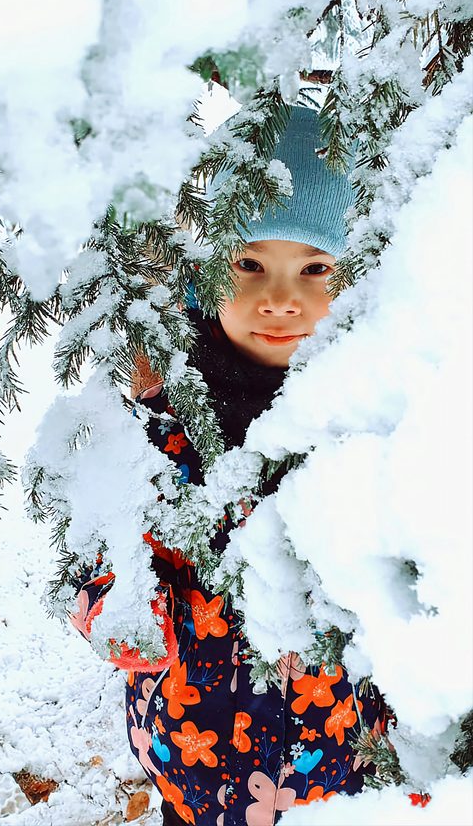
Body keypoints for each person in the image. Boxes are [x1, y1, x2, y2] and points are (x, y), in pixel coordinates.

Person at [72, 107, 389, 825]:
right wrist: (124, 616)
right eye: (249, 264)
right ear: (207, 272)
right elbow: (97, 565)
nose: (281, 298)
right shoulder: (160, 421)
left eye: (316, 269)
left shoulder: (370, 418)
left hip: (348, 775)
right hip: (195, 769)